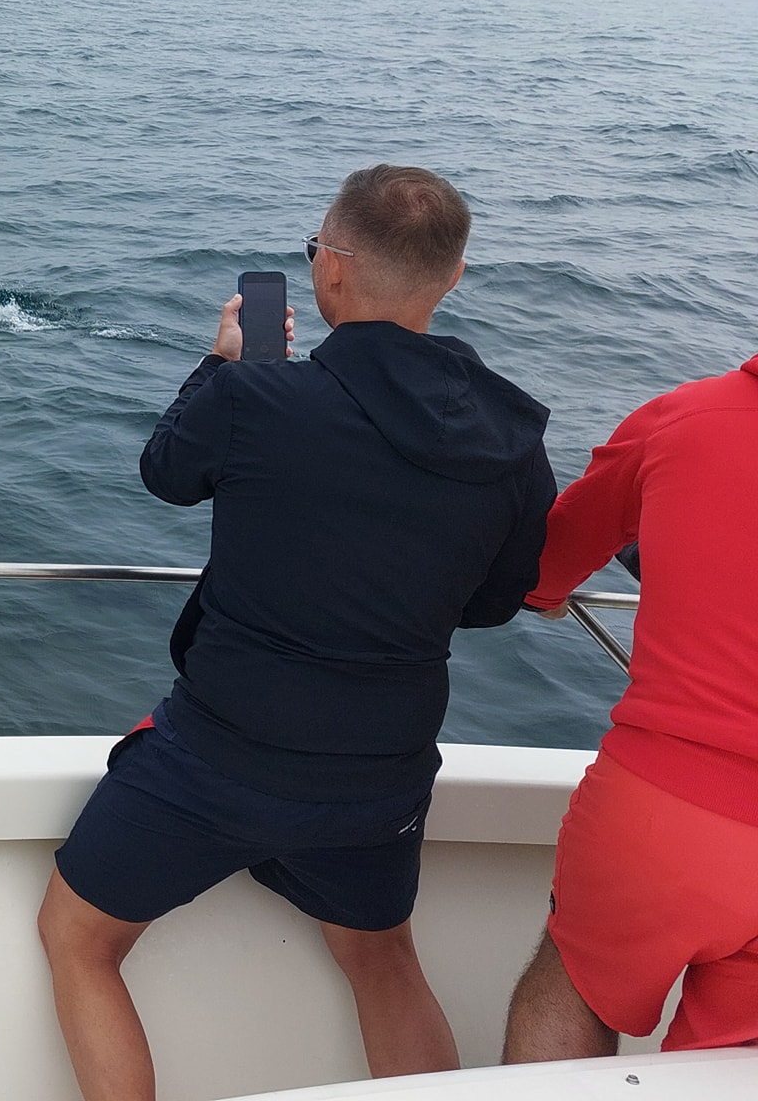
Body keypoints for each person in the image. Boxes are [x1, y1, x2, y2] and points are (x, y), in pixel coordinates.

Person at [38, 164, 556, 1101]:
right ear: (453, 278)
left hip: (216, 757)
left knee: (78, 938)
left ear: (333, 273)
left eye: (316, 249)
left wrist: (223, 365)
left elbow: (164, 471)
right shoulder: (515, 440)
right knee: (383, 960)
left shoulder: (257, 399)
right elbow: (491, 603)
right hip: (379, 775)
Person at [503, 354, 758, 1061]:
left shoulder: (684, 415)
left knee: (573, 992)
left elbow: (545, 570)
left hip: (664, 807)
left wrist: (548, 595)